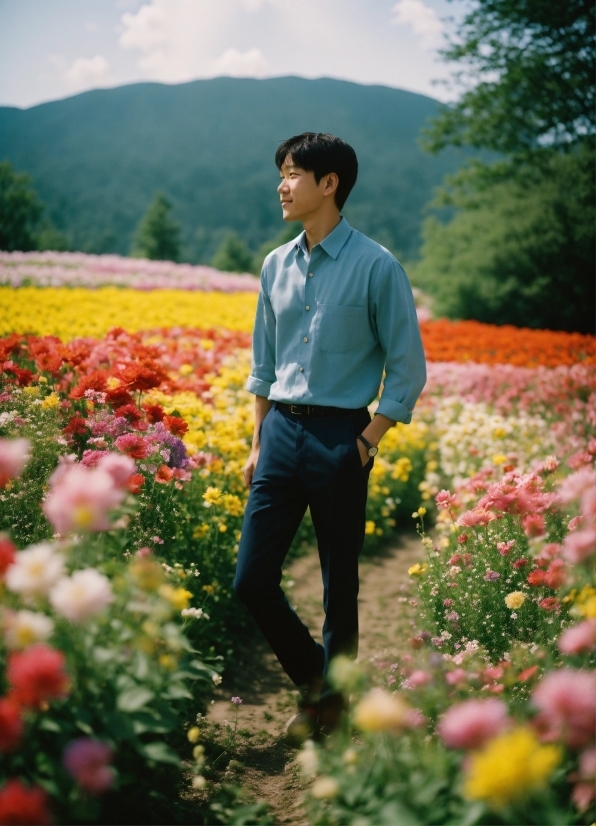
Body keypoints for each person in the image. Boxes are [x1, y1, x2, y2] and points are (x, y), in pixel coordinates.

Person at [233, 132, 426, 739]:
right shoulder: (274, 265)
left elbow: (408, 368)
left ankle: (330, 710)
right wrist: (258, 441)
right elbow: (263, 364)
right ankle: (322, 683)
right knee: (252, 582)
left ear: (330, 184)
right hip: (281, 432)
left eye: (293, 173)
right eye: (281, 173)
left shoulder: (377, 265)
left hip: (344, 436)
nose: (282, 185)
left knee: (339, 584)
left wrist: (368, 440)